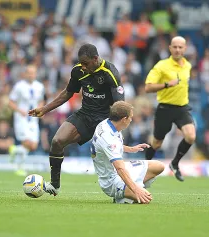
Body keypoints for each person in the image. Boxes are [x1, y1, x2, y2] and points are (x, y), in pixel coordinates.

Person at [29, 43, 125, 195]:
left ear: (95, 58)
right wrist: (45, 109)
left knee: (112, 162)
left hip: (104, 122)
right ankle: (55, 185)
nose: (83, 67)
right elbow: (68, 93)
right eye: (81, 63)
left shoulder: (110, 73)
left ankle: (124, 188)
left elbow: (119, 105)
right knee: (57, 142)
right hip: (85, 115)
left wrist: (115, 128)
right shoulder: (78, 71)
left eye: (86, 64)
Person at [91, 101, 165, 204]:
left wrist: (131, 149)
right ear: (124, 119)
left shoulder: (107, 124)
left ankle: (127, 192)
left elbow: (112, 147)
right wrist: (136, 189)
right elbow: (119, 168)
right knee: (146, 198)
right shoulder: (109, 137)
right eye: (130, 117)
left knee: (159, 166)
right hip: (111, 181)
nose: (131, 120)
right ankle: (122, 193)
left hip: (120, 169)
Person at [144, 36, 196, 182]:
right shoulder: (161, 65)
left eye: (181, 47)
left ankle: (175, 163)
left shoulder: (187, 65)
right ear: (170, 48)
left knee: (191, 136)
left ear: (185, 49)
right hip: (164, 109)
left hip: (181, 108)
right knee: (156, 143)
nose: (178, 49)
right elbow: (148, 87)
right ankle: (144, 167)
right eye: (175, 47)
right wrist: (166, 85)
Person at [9, 64, 45, 176]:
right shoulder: (19, 86)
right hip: (22, 118)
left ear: (35, 74)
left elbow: (41, 101)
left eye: (33, 72)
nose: (31, 75)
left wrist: (40, 110)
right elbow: (10, 102)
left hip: (33, 119)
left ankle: (14, 149)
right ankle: (20, 167)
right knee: (27, 142)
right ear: (25, 74)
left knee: (33, 146)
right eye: (29, 72)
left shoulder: (39, 86)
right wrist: (20, 111)